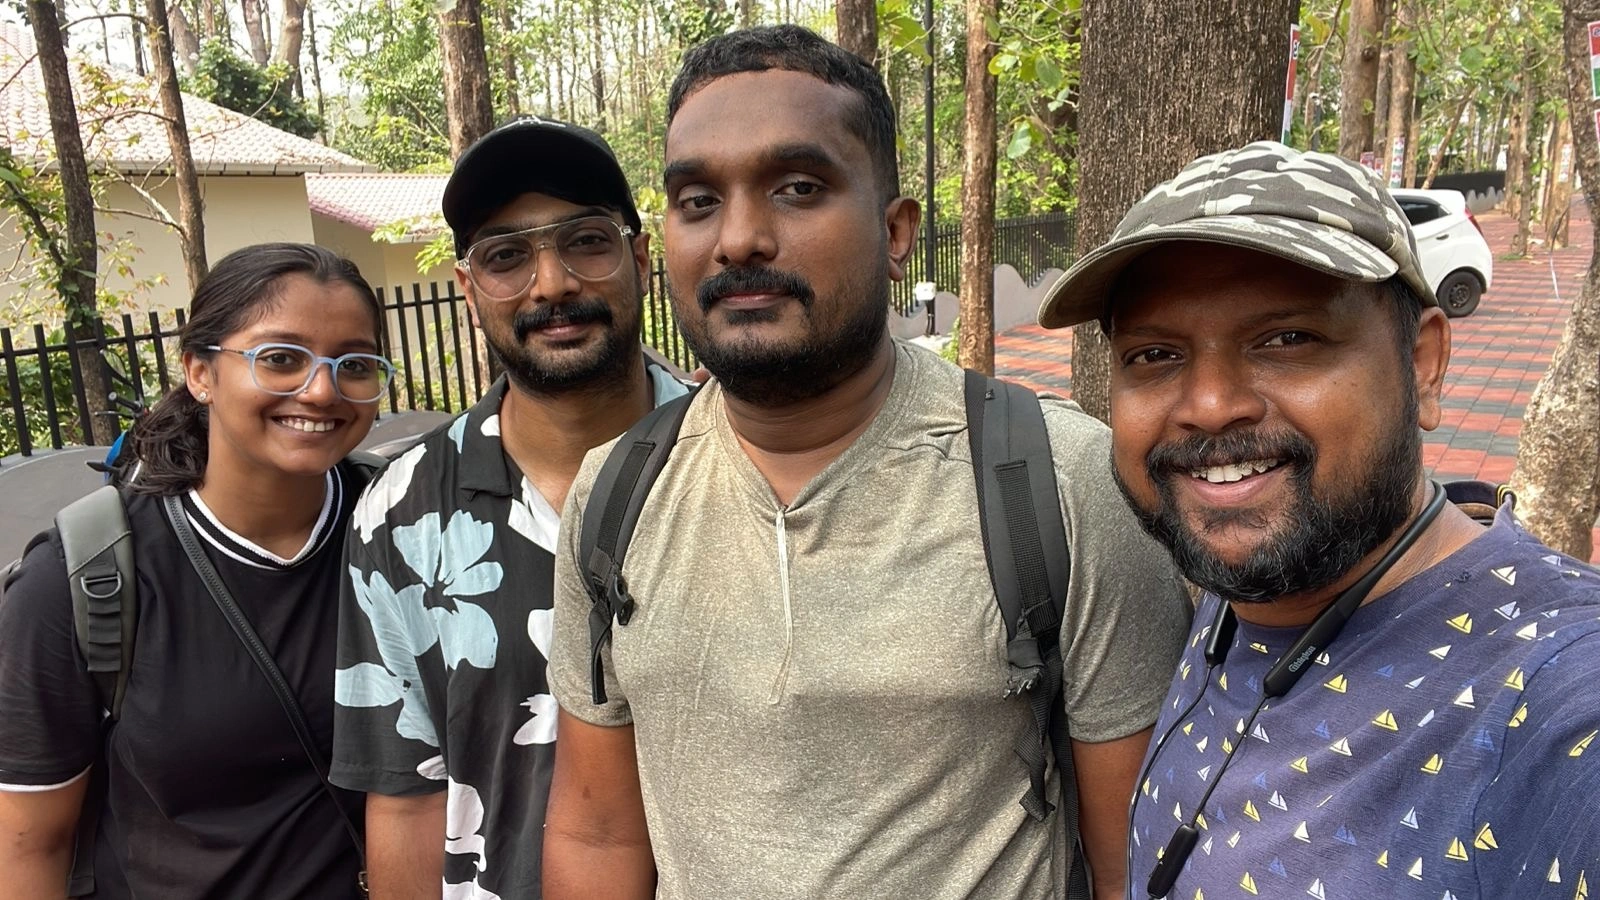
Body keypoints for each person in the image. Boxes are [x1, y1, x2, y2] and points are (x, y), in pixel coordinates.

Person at [543, 25, 1192, 899]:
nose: (739, 238)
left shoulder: (1063, 484)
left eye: (797, 188)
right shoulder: (615, 497)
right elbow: (596, 833)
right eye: (698, 200)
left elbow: (1133, 872)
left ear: (895, 232)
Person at [1035, 141, 1600, 899]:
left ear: (1423, 364)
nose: (1210, 406)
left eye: (1287, 339)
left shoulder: (1556, 696)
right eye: (1155, 354)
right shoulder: (1261, 575)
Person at [329, 116, 691, 900]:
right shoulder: (399, 515)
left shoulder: (736, 462)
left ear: (639, 259)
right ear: (468, 290)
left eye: (586, 242)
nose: (552, 283)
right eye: (506, 256)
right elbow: (407, 794)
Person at [0, 243, 393, 898]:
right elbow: (27, 844)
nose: (322, 390)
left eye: (353, 364)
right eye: (280, 358)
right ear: (200, 372)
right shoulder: (84, 577)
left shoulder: (406, 529)